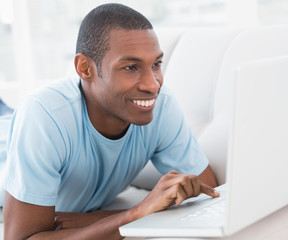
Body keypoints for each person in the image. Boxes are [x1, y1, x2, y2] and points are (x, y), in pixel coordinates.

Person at [0, 3, 219, 240]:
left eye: (156, 64)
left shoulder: (162, 105)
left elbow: (207, 193)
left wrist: (112, 215)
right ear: (85, 68)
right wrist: (135, 214)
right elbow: (21, 238)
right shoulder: (43, 117)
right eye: (131, 67)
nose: (153, 85)